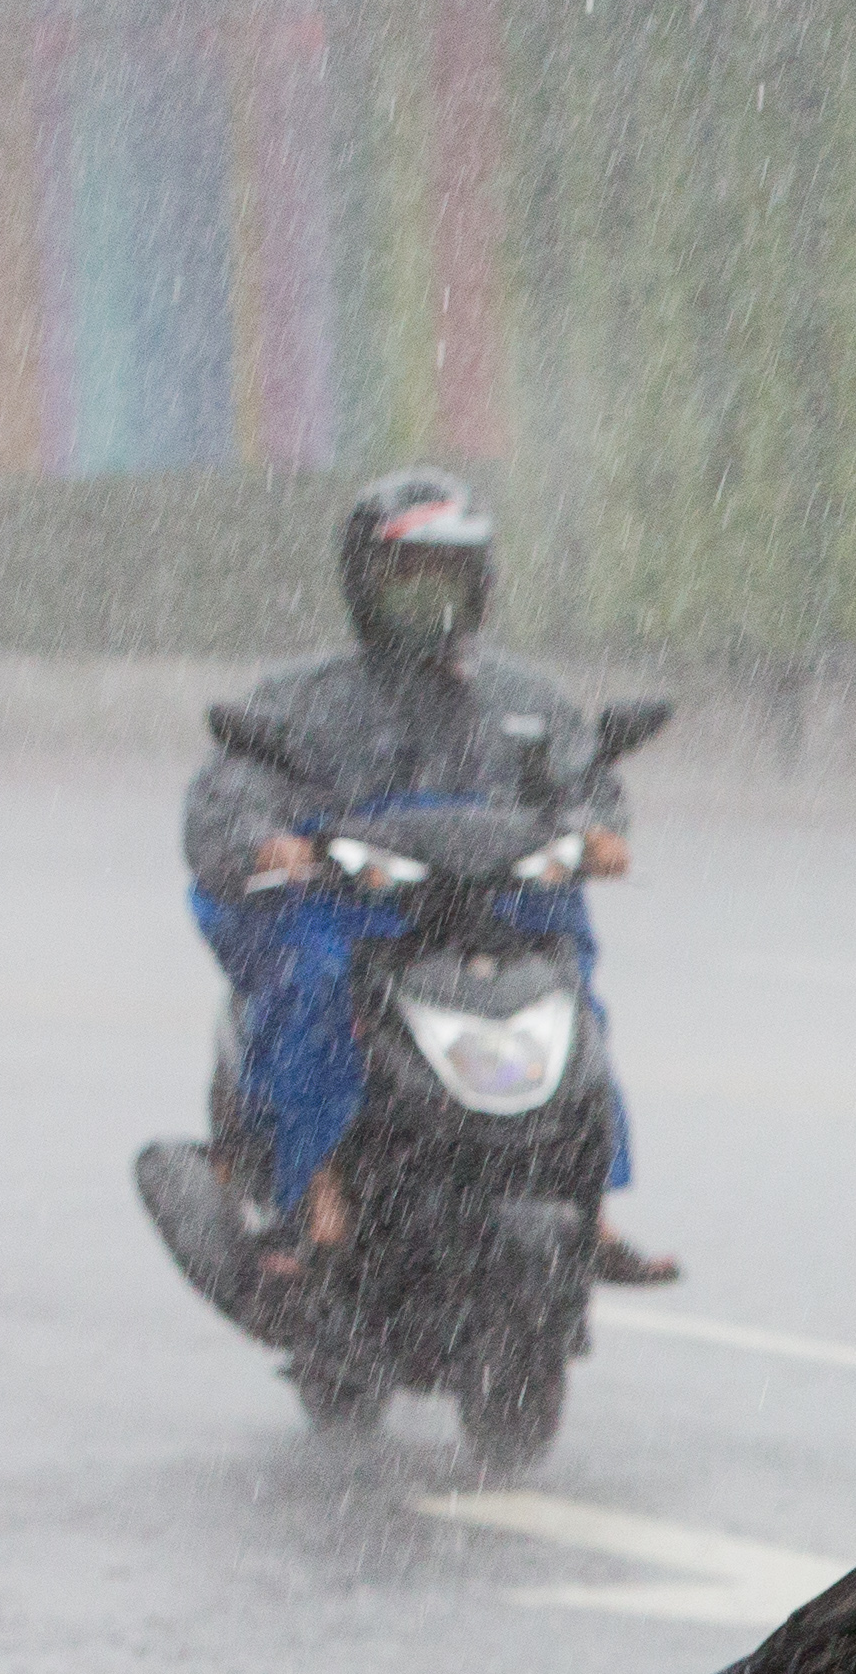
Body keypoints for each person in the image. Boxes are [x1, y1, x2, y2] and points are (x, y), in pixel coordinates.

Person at [179, 468, 676, 1284]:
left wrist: (598, 833)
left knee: (570, 979)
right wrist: (271, 845)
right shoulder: (306, 701)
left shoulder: (524, 702)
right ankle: (317, 1190)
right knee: (315, 977)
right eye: (407, 572)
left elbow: (584, 782)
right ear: (362, 580)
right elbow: (230, 796)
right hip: (359, 917)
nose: (428, 593)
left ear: (482, 584)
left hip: (487, 916)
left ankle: (589, 1202)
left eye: (449, 573)